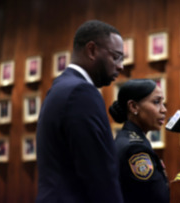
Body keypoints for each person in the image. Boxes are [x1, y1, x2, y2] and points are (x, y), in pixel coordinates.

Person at [36, 20, 124, 203]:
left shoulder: (60, 87)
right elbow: (99, 174)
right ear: (91, 50)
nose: (121, 66)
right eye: (116, 57)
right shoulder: (81, 92)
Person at [109, 79, 180, 203]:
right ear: (133, 106)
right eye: (156, 102)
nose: (163, 110)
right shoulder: (135, 150)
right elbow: (162, 199)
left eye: (162, 103)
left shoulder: (129, 140)